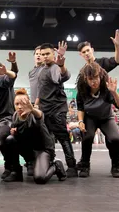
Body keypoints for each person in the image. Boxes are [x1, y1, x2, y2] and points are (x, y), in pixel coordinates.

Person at [4, 88, 66, 183]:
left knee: (40, 178)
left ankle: (56, 166)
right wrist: (14, 132)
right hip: (29, 150)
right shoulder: (15, 116)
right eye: (17, 104)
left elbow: (40, 115)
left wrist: (32, 109)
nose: (20, 107)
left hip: (43, 149)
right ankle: (16, 172)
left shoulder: (33, 114)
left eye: (23, 104)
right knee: (10, 139)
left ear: (28, 103)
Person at [35, 43, 77, 177]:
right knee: (46, 139)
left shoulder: (55, 67)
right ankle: (50, 164)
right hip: (44, 109)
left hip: (57, 110)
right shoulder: (42, 69)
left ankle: (71, 167)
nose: (44, 57)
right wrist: (36, 104)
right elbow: (41, 90)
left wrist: (61, 65)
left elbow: (63, 76)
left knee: (63, 137)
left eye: (47, 54)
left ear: (53, 53)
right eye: (42, 54)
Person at [76, 62, 119, 178]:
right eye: (91, 79)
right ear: (86, 79)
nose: (94, 81)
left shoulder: (106, 89)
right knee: (87, 137)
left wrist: (114, 92)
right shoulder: (82, 91)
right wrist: (80, 121)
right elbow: (80, 108)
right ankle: (85, 165)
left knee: (116, 139)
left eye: (96, 77)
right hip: (90, 118)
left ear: (100, 76)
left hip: (106, 118)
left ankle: (116, 165)